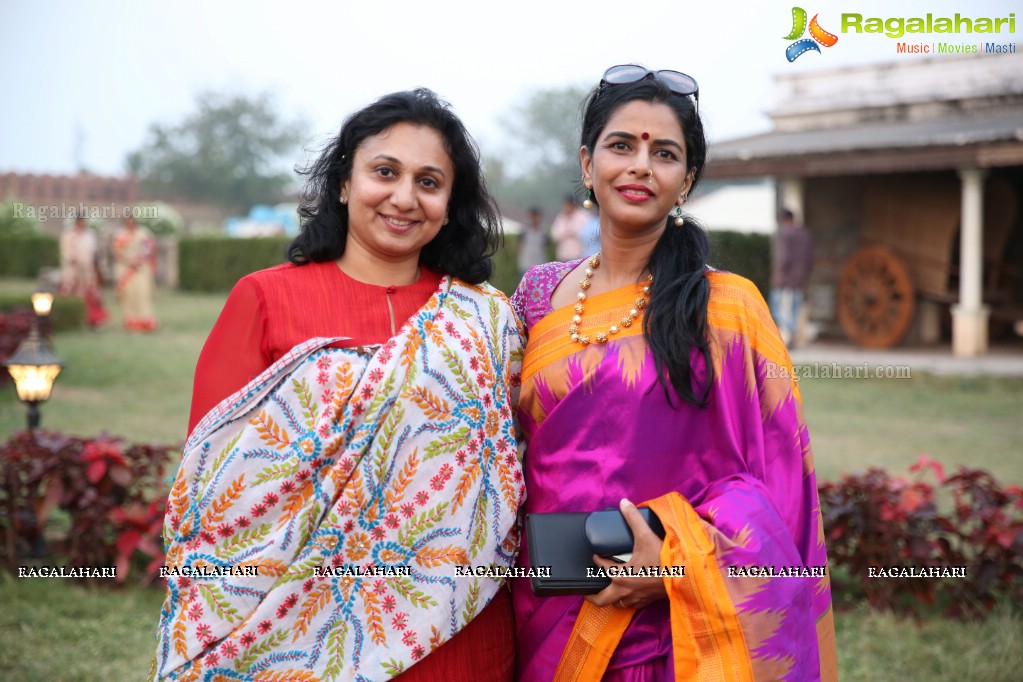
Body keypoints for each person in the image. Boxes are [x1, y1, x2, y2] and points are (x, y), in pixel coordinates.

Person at [151, 89, 524, 682]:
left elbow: (509, 469)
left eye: (429, 182)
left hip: (455, 630)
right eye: (384, 172)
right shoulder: (266, 299)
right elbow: (216, 486)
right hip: (285, 635)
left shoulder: (486, 319)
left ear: (450, 204)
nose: (404, 197)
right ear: (344, 183)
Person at [511, 65, 837, 681]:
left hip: (675, 631)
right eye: (621, 145)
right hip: (548, 607)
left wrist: (680, 564)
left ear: (684, 181)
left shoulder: (727, 307)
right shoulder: (536, 297)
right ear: (587, 164)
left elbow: (776, 481)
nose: (640, 165)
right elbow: (506, 450)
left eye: (663, 153)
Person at [770, 209, 813, 347]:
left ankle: (792, 330)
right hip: (801, 277)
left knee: (774, 306)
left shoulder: (786, 234)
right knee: (795, 307)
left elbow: (785, 258)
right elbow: (809, 257)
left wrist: (778, 275)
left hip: (786, 276)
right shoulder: (805, 234)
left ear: (784, 219)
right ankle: (793, 335)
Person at [59, 214, 108, 326]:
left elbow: (95, 253)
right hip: (74, 270)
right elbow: (66, 252)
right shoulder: (69, 235)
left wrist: (96, 267)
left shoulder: (90, 235)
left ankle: (93, 320)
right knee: (71, 292)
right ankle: (71, 319)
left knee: (91, 294)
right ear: (76, 222)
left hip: (88, 271)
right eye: (80, 222)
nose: (82, 224)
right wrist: (74, 259)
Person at [112, 215, 159, 331]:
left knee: (142, 293)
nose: (130, 224)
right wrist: (129, 262)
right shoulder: (120, 235)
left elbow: (148, 249)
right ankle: (131, 321)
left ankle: (145, 320)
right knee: (129, 294)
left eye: (132, 221)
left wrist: (139, 261)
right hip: (126, 268)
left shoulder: (143, 233)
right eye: (128, 221)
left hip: (140, 268)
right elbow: (117, 252)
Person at [550, 193, 591, 262]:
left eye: (568, 204)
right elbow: (554, 235)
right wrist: (566, 233)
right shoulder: (561, 217)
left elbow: (587, 234)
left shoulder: (583, 215)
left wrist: (572, 231)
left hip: (580, 256)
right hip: (563, 257)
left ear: (573, 204)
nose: (566, 207)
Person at [517, 206, 549, 277]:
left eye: (535, 216)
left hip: (540, 264)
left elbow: (546, 246)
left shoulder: (543, 231)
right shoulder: (524, 231)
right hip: (526, 265)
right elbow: (519, 246)